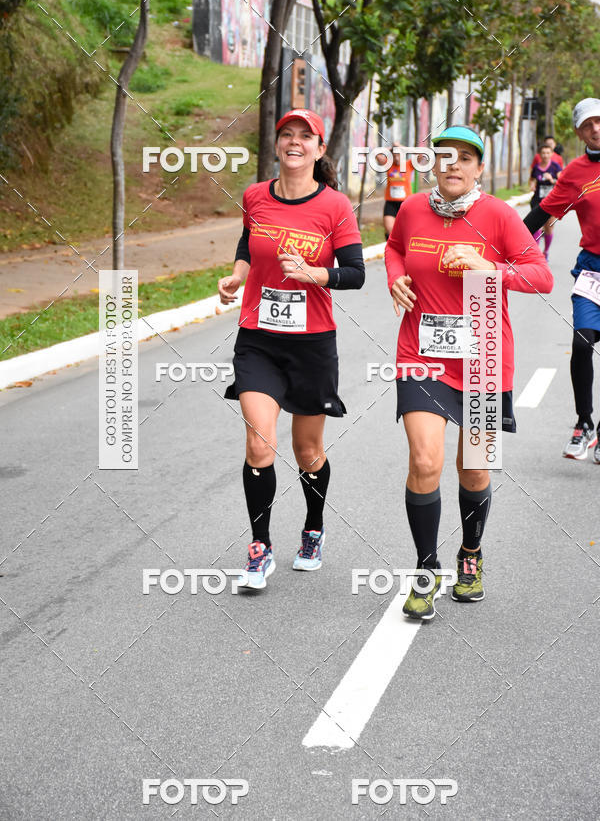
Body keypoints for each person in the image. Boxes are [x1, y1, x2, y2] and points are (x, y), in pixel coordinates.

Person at [385, 125, 553, 620]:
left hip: (482, 360)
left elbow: (540, 276)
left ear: (480, 168)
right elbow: (395, 248)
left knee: (474, 469)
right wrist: (396, 277)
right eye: (444, 156)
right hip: (423, 354)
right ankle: (425, 568)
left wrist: (488, 266)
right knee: (424, 461)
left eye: (465, 157)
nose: (453, 164)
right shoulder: (414, 209)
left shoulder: (499, 216)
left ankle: (470, 555)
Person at [218, 109, 365, 590]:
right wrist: (237, 277)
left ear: (320, 149)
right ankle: (259, 549)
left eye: (306, 136)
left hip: (312, 345)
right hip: (258, 339)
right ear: (277, 144)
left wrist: (315, 274)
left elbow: (356, 274)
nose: (295, 141)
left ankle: (313, 529)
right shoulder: (256, 195)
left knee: (308, 451)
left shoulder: (336, 207)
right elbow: (247, 240)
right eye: (287, 135)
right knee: (259, 444)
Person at [524, 97, 600, 463]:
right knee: (583, 345)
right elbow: (543, 212)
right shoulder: (575, 173)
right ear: (578, 131)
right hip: (592, 270)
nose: (596, 129)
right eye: (588, 125)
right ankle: (583, 423)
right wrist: (500, 244)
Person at [529, 143, 561, 260]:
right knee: (536, 226)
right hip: (537, 200)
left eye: (548, 153)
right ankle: (536, 254)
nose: (545, 155)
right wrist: (532, 185)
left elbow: (562, 182)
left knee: (548, 227)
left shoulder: (555, 167)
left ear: (552, 154)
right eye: (543, 153)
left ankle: (546, 252)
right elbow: (532, 179)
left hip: (552, 201)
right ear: (539, 154)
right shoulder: (536, 167)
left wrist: (552, 180)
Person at [377, 143, 414, 240]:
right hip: (391, 203)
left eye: (399, 155)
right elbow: (377, 154)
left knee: (406, 231)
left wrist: (402, 147)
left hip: (405, 203)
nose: (397, 158)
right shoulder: (389, 164)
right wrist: (390, 149)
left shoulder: (408, 164)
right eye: (394, 156)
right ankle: (391, 251)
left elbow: (422, 155)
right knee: (389, 231)